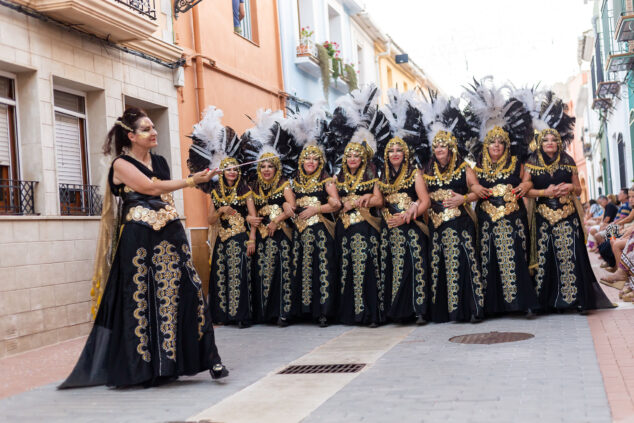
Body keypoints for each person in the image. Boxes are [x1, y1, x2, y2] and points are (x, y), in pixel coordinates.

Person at [59, 108, 227, 389]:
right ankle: (144, 369)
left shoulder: (160, 161)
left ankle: (209, 359)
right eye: (147, 129)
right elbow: (150, 188)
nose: (154, 132)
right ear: (131, 135)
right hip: (138, 239)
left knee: (189, 292)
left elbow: (165, 196)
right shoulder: (121, 165)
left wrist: (179, 233)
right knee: (142, 300)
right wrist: (191, 180)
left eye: (153, 127)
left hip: (170, 235)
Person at [524, 92, 614, 312]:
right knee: (546, 256)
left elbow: (579, 188)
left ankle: (578, 301)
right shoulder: (532, 161)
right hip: (543, 216)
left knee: (571, 255)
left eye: (554, 139)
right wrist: (544, 191)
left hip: (567, 215)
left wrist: (569, 187)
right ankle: (547, 303)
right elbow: (526, 190)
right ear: (540, 142)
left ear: (559, 141)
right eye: (546, 140)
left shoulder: (569, 160)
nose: (550, 143)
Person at [463, 79, 540, 317]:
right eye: (492, 142)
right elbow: (472, 186)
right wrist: (474, 190)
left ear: (506, 146)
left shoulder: (518, 163)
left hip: (512, 218)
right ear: (485, 146)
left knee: (516, 258)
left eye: (500, 142)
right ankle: (491, 307)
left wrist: (525, 184)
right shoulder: (477, 168)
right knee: (489, 261)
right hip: (486, 220)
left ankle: (523, 304)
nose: (496, 145)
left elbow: (529, 180)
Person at [419, 94, 485, 323]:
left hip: (460, 224)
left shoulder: (464, 168)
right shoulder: (426, 170)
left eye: (443, 146)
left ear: (451, 149)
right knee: (439, 265)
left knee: (465, 262)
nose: (439, 149)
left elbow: (479, 191)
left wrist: (463, 198)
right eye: (436, 146)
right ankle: (445, 312)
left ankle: (472, 310)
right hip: (437, 226)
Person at [329, 88, 390, 327]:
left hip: (366, 230)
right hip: (344, 231)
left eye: (356, 156)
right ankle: (351, 315)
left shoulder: (372, 175)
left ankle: (371, 315)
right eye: (349, 156)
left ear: (363, 158)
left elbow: (379, 200)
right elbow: (333, 202)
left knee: (367, 271)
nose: (352, 159)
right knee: (347, 271)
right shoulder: (338, 178)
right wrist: (338, 202)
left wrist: (360, 200)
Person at [241, 112, 300, 326]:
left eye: (270, 166)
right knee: (263, 272)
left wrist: (278, 219)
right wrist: (252, 234)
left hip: (281, 234)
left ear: (276, 168)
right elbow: (252, 214)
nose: (266, 170)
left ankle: (283, 313)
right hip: (263, 236)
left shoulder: (284, 185)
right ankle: (266, 313)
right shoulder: (253, 188)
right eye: (263, 166)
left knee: (282, 273)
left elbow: (292, 207)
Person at [285, 110, 341, 327]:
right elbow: (289, 202)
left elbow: (335, 203)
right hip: (301, 235)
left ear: (320, 162)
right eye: (307, 158)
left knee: (322, 271)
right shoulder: (294, 181)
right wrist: (286, 206)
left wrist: (316, 209)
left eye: (314, 159)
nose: (310, 161)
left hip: (320, 234)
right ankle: (305, 311)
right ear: (301, 161)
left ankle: (324, 313)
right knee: (302, 270)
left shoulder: (326, 180)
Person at [208, 157, 257, 327]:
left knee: (238, 276)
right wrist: (221, 209)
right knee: (221, 275)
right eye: (229, 169)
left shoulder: (245, 190)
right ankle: (222, 315)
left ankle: (241, 316)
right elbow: (210, 219)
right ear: (222, 172)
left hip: (239, 238)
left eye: (235, 169)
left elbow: (253, 218)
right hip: (222, 240)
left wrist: (252, 239)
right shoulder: (215, 192)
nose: (232, 172)